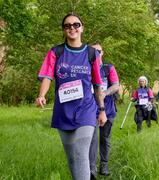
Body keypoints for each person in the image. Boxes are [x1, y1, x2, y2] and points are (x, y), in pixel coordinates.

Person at [35, 13, 107, 180]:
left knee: (81, 152)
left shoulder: (91, 54)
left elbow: (97, 85)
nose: (72, 28)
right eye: (67, 26)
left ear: (82, 27)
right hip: (63, 111)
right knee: (72, 158)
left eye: (76, 24)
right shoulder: (56, 52)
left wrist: (102, 109)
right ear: (63, 30)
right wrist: (41, 95)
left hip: (86, 109)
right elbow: (47, 76)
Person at [89, 43, 119, 179]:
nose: (96, 53)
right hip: (90, 111)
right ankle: (91, 169)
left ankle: (104, 165)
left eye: (98, 51)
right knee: (91, 140)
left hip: (109, 110)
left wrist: (105, 93)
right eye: (93, 51)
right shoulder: (85, 68)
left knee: (104, 139)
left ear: (103, 53)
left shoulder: (108, 68)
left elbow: (116, 85)